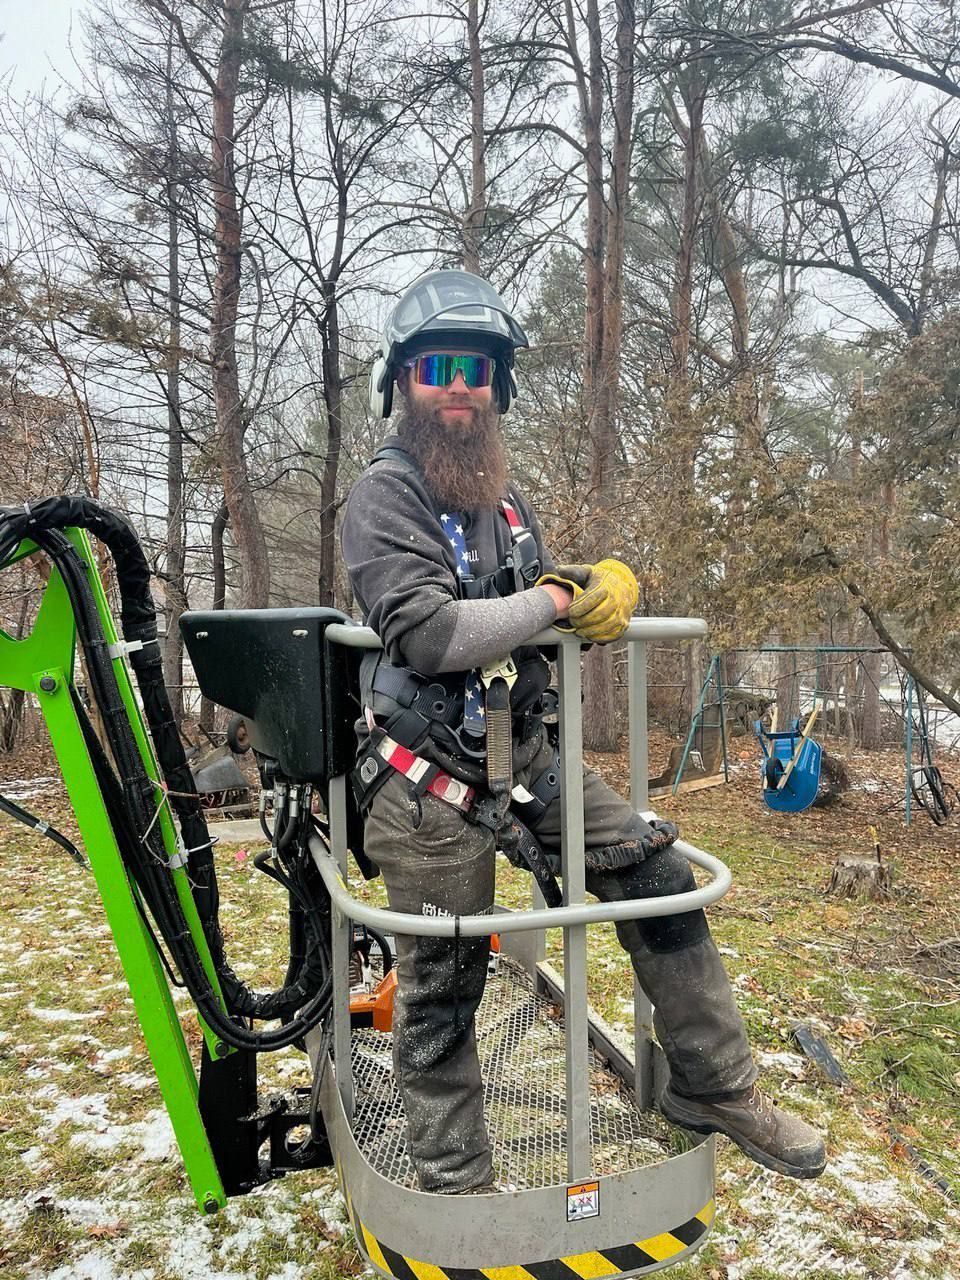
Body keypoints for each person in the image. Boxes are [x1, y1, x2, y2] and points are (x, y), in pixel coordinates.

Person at [340, 268, 826, 1194]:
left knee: (656, 872)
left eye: (477, 369)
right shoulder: (384, 495)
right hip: (423, 778)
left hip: (522, 757)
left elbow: (530, 592)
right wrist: (557, 598)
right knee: (443, 978)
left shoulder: (504, 501)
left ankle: (714, 1085)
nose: (458, 384)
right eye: (437, 365)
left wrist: (593, 577)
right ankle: (456, 1187)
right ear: (401, 380)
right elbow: (433, 630)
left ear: (499, 390)